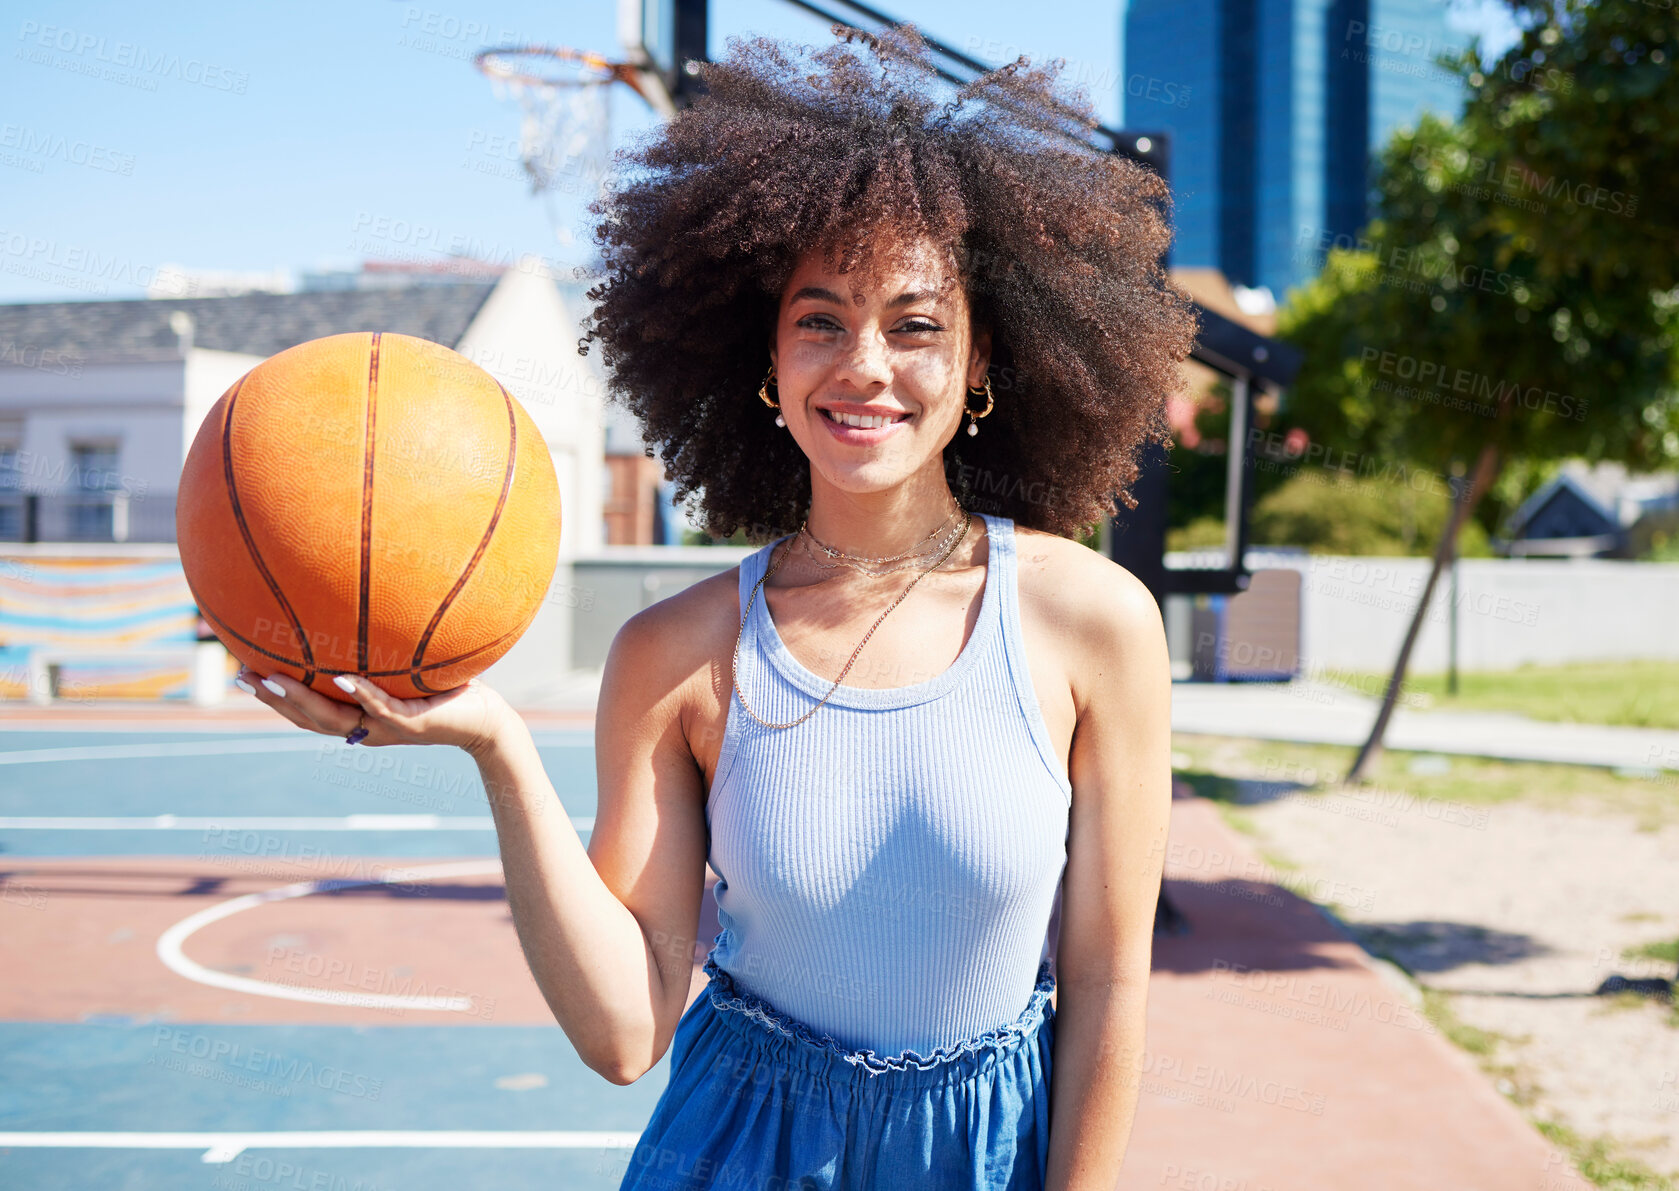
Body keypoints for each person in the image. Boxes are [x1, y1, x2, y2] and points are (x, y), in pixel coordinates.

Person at [237, 25, 1192, 1190]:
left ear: (983, 360)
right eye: (819, 319)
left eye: (915, 323)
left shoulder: (1091, 623)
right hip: (739, 1147)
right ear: (765, 360)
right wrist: (493, 746)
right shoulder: (675, 653)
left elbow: (1105, 989)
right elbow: (623, 1032)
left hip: (984, 1152)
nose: (863, 364)